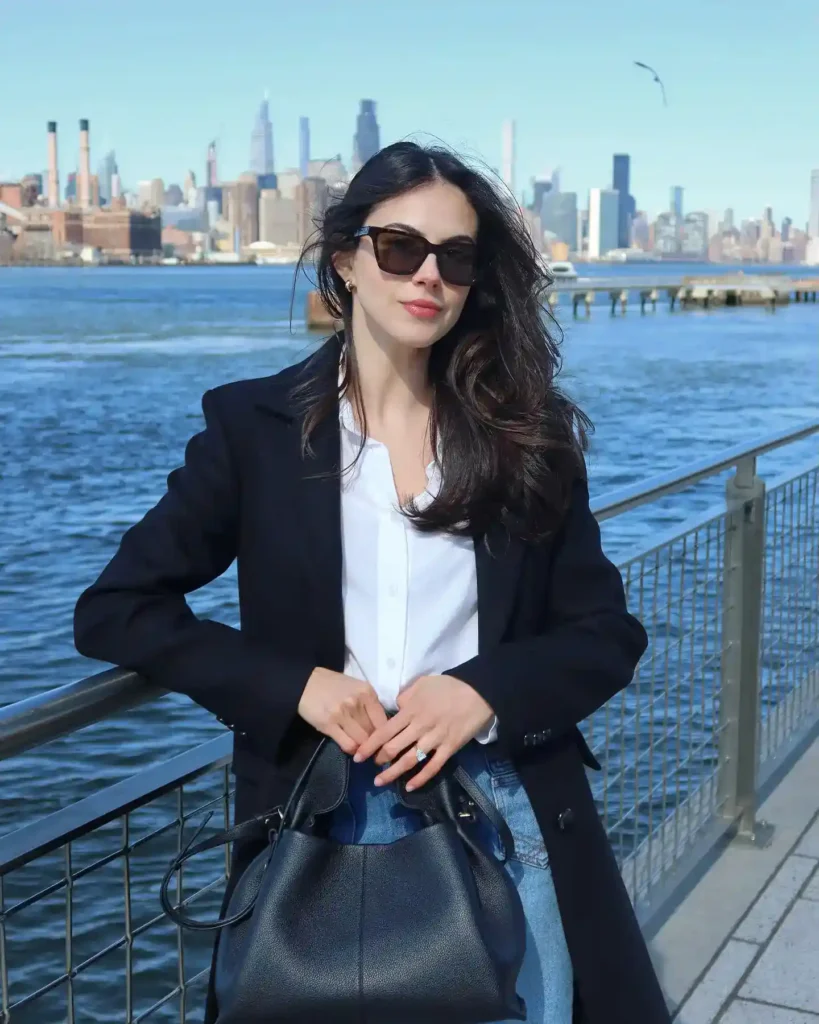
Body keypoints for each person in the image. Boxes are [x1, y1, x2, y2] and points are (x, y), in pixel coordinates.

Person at [73, 141, 671, 1024]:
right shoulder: (255, 430)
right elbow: (116, 612)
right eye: (399, 248)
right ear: (347, 259)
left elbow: (606, 632)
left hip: (499, 810)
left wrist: (482, 694)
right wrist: (293, 687)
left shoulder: (523, 436)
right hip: (316, 821)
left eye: (456, 257)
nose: (427, 274)